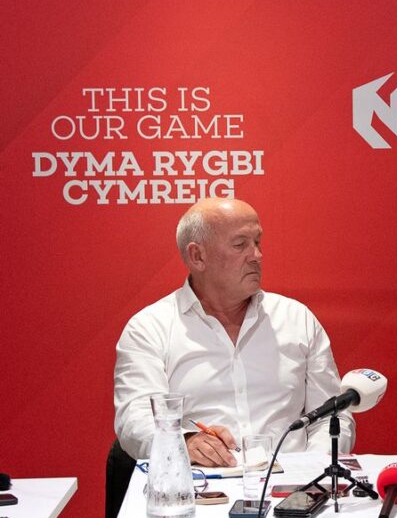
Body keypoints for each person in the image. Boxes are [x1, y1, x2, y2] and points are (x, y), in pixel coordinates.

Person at [114, 198, 352, 467]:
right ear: (197, 256)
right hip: (200, 483)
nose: (257, 255)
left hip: (292, 483)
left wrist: (312, 469)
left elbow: (333, 416)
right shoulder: (149, 328)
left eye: (257, 242)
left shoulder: (297, 319)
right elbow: (135, 420)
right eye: (240, 245)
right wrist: (184, 441)